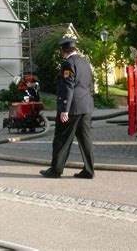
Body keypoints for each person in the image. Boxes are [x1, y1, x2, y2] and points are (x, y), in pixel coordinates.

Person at [40, 38, 95, 179]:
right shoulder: (85, 63)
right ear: (75, 49)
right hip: (86, 106)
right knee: (85, 139)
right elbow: (90, 84)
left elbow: (68, 87)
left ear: (63, 51)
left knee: (61, 139)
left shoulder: (68, 64)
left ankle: (55, 170)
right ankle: (89, 170)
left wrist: (65, 109)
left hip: (72, 108)